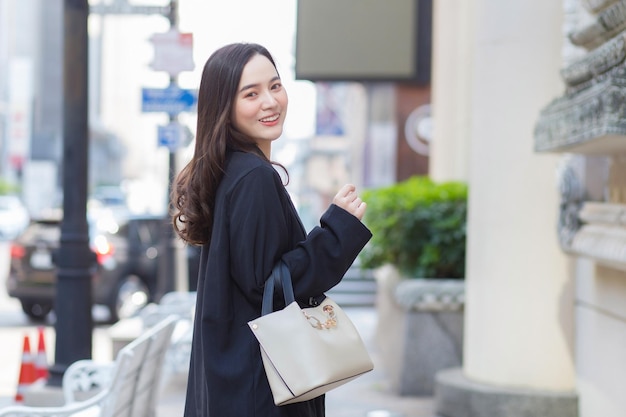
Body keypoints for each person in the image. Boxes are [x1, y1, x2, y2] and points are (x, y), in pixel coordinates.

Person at [171, 42, 372, 417]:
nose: (270, 102)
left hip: (235, 378)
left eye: (275, 86)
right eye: (251, 93)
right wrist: (337, 231)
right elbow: (269, 284)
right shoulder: (253, 178)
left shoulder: (229, 171)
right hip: (261, 386)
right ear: (225, 108)